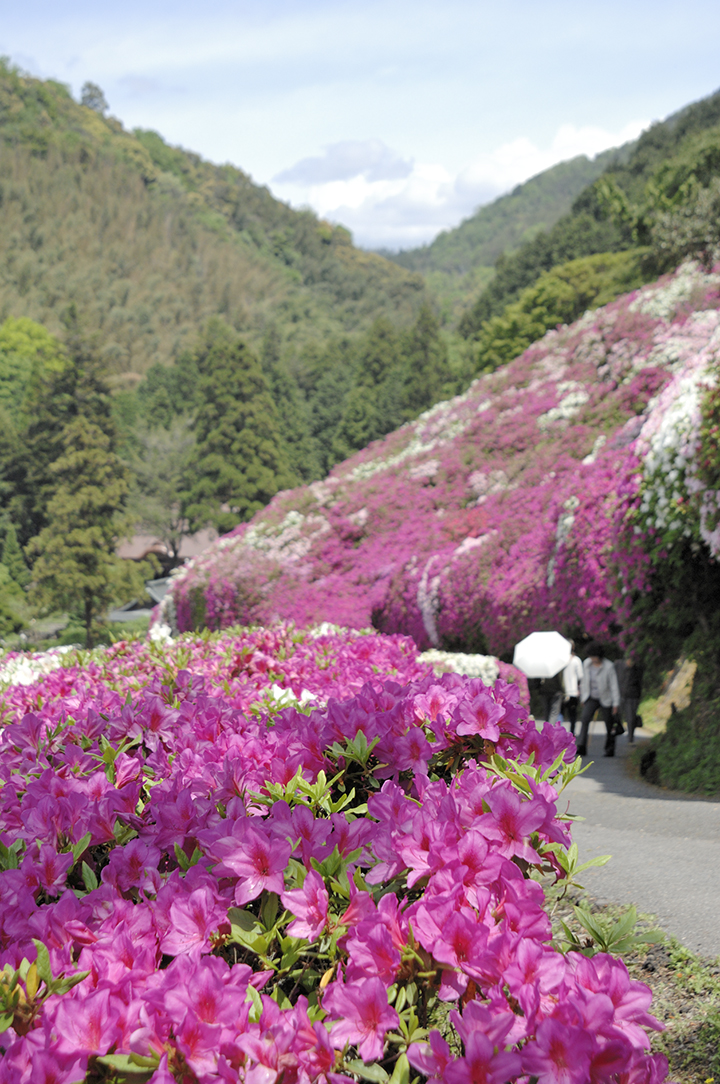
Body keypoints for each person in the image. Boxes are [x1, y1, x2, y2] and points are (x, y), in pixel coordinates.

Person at [576, 641, 621, 757]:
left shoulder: (608, 666)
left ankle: (609, 748)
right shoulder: (586, 664)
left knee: (609, 724)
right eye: (591, 656)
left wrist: (615, 703)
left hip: (606, 697)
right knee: (585, 718)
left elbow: (614, 685)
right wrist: (583, 697)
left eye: (594, 657)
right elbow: (584, 682)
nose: (592, 659)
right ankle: (581, 746)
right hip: (591, 696)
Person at [562, 640, 584, 735]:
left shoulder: (560, 660)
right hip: (573, 691)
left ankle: (558, 733)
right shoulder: (576, 660)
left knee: (560, 713)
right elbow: (580, 676)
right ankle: (572, 733)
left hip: (562, 691)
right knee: (572, 714)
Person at [622, 652, 644, 743]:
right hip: (625, 696)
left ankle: (631, 736)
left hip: (634, 696)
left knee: (632, 717)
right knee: (628, 716)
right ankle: (630, 736)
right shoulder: (624, 670)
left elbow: (639, 684)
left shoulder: (637, 671)